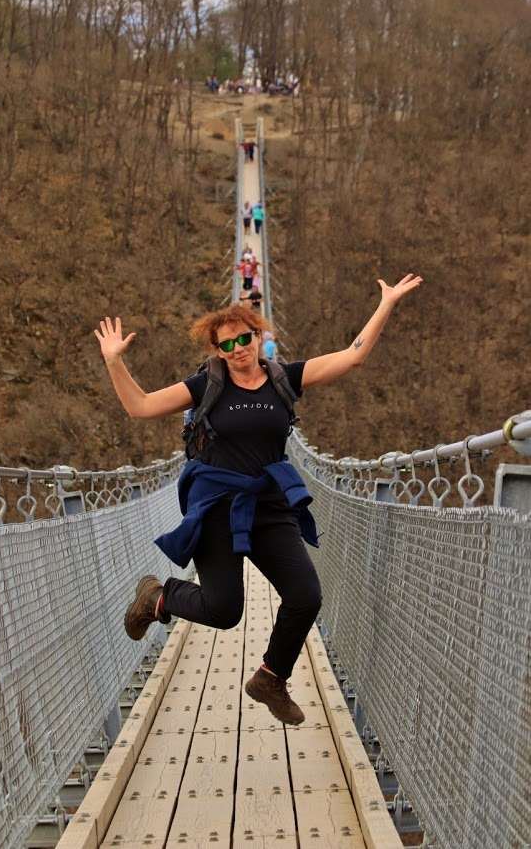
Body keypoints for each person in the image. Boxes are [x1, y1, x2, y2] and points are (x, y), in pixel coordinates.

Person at [94, 274, 423, 725]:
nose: (237, 350)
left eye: (243, 340)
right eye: (225, 345)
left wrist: (386, 303)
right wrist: (114, 362)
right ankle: (160, 596)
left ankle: (270, 678)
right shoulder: (205, 386)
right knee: (224, 611)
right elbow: (141, 407)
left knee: (306, 595)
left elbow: (354, 356)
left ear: (259, 336)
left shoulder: (284, 379)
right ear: (217, 350)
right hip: (216, 508)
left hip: (268, 503)